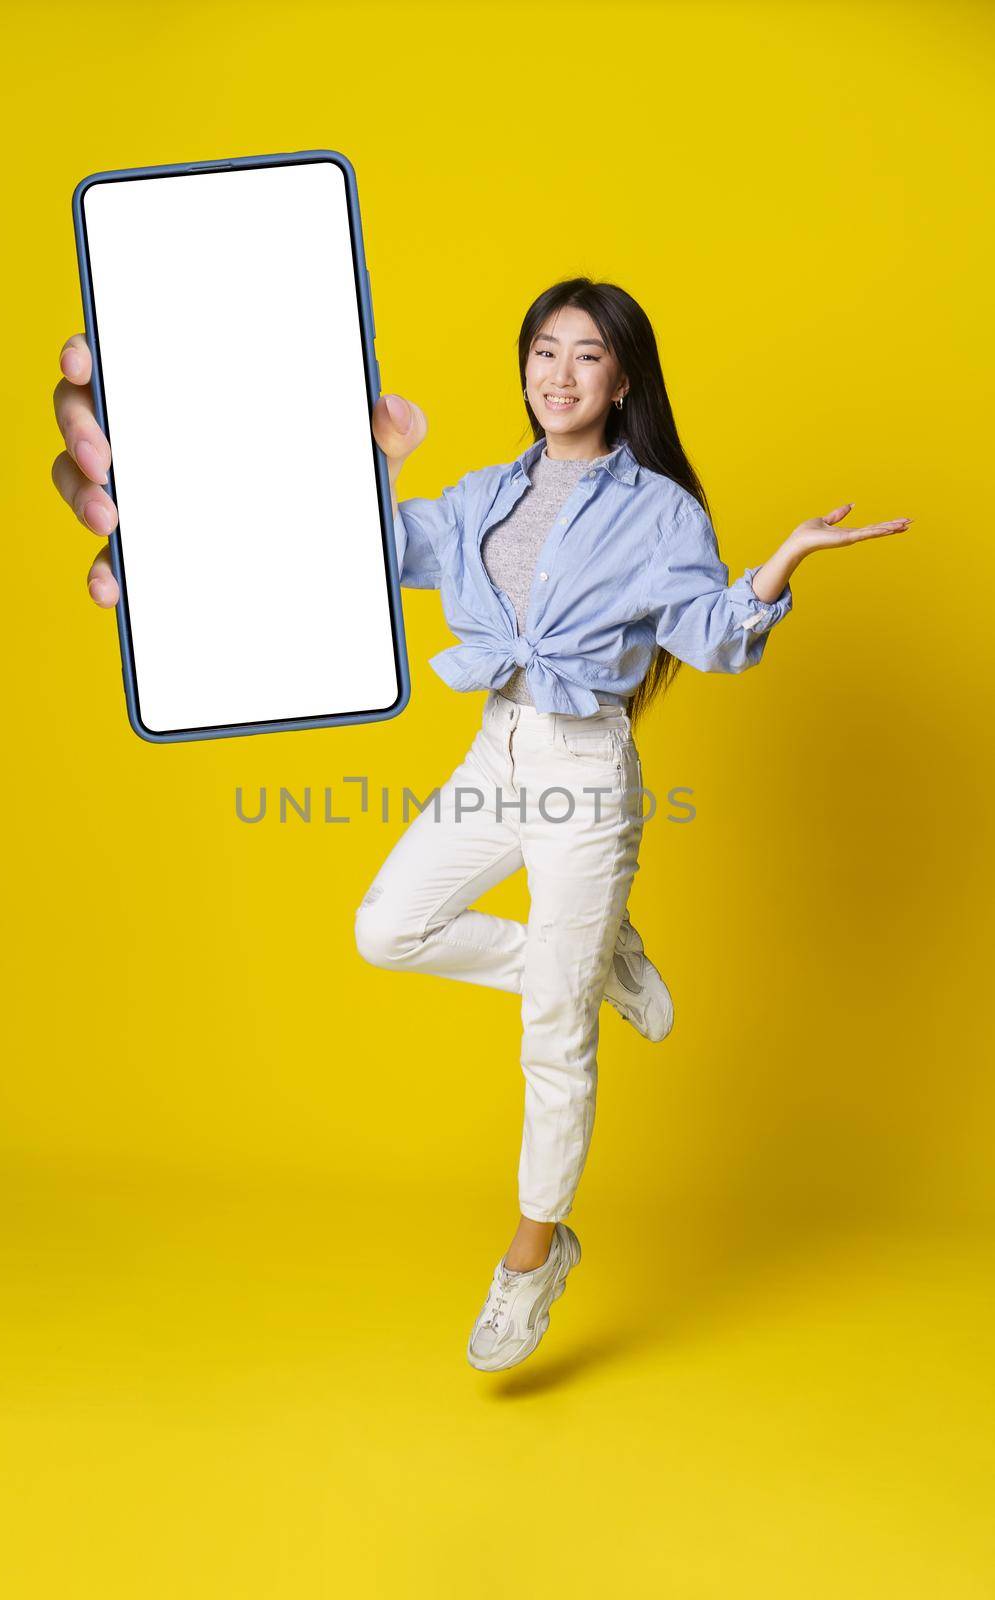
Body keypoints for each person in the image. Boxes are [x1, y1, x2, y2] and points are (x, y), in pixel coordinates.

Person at [51, 277, 913, 1375]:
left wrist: (773, 569)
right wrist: (380, 457)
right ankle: (592, 961)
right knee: (386, 926)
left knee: (550, 1036)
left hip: (586, 767)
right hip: (495, 750)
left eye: (585, 355)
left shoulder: (658, 511)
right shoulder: (478, 498)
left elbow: (709, 637)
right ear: (522, 367)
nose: (558, 374)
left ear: (623, 379)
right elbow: (364, 545)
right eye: (542, 350)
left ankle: (530, 1256)